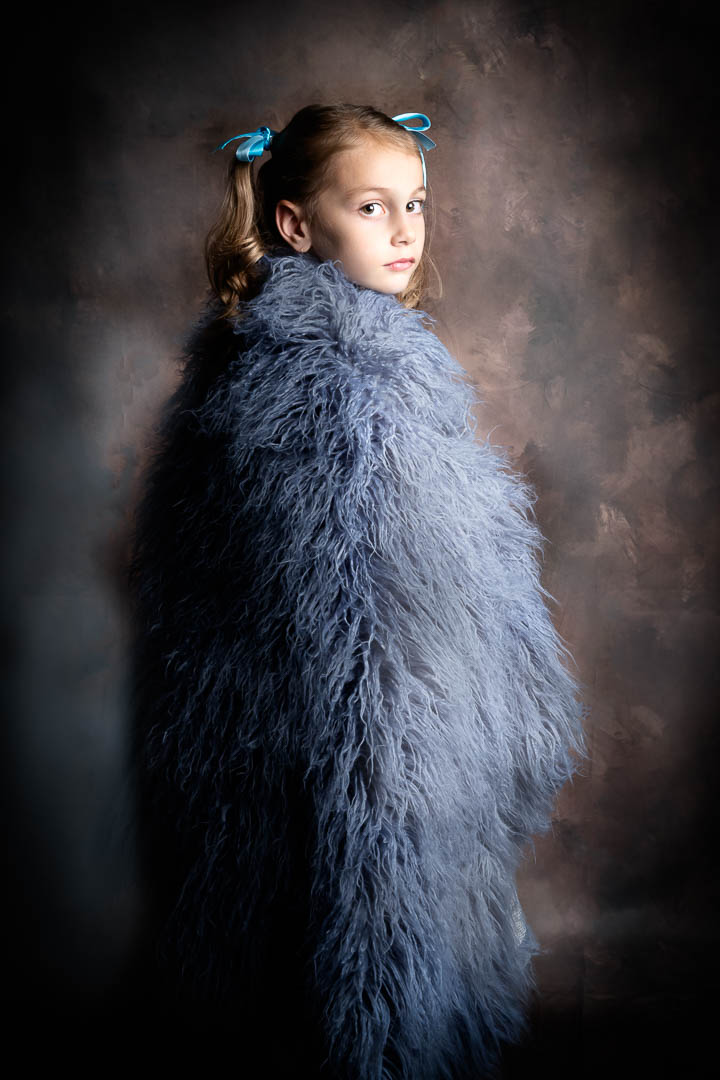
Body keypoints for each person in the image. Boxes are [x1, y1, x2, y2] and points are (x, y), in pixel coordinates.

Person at [126, 103, 589, 1078]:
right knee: (367, 943)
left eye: (416, 203)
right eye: (372, 206)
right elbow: (373, 603)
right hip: (367, 738)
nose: (406, 229)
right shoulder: (349, 379)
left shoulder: (249, 353)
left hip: (269, 736)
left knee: (284, 947)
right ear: (297, 224)